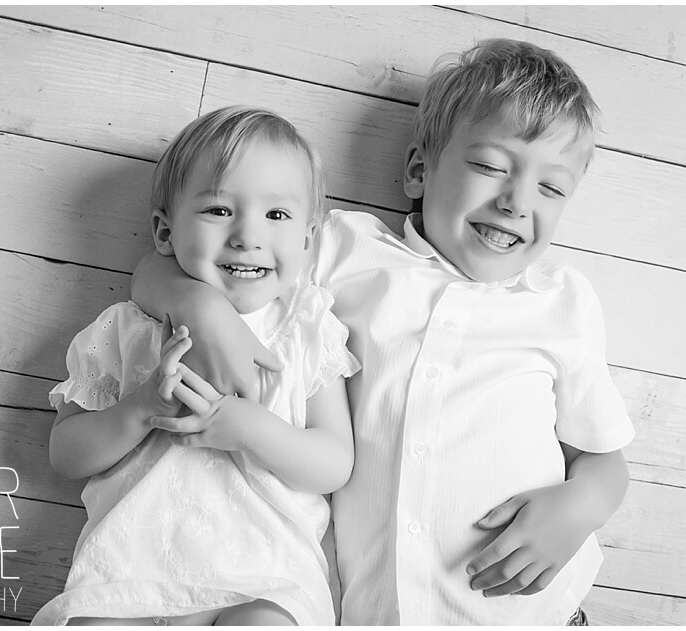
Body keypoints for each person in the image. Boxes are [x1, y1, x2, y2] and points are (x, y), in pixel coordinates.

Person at [133, 39, 633, 625]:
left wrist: (580, 508)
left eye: (551, 188)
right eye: (492, 167)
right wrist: (201, 307)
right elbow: (159, 269)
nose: (516, 202)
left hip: (532, 611)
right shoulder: (345, 249)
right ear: (420, 170)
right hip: (377, 611)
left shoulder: (559, 302)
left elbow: (603, 456)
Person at [34, 106, 357, 626]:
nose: (248, 236)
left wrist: (251, 428)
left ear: (308, 238)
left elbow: (335, 463)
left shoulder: (307, 328)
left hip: (266, 580)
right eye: (219, 211)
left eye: (276, 215)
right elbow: (65, 453)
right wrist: (139, 411)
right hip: (127, 574)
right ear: (164, 233)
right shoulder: (127, 327)